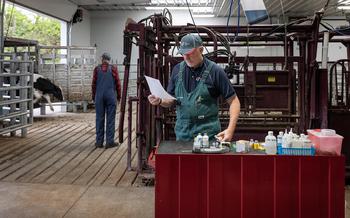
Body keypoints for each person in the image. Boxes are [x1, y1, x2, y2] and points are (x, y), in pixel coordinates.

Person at [148, 33, 240, 142]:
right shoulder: (177, 70)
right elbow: (171, 100)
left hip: (209, 137)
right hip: (183, 135)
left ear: (201, 50)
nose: (186, 57)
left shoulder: (215, 71)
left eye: (190, 53)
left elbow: (234, 101)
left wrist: (230, 129)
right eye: (183, 53)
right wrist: (160, 101)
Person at [92, 52, 121, 148]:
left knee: (99, 119)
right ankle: (109, 142)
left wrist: (94, 97)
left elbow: (94, 84)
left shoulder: (96, 69)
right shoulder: (113, 69)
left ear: (102, 59)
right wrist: (119, 97)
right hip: (110, 96)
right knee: (110, 119)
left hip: (99, 97)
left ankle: (99, 142)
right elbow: (118, 84)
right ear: (109, 60)